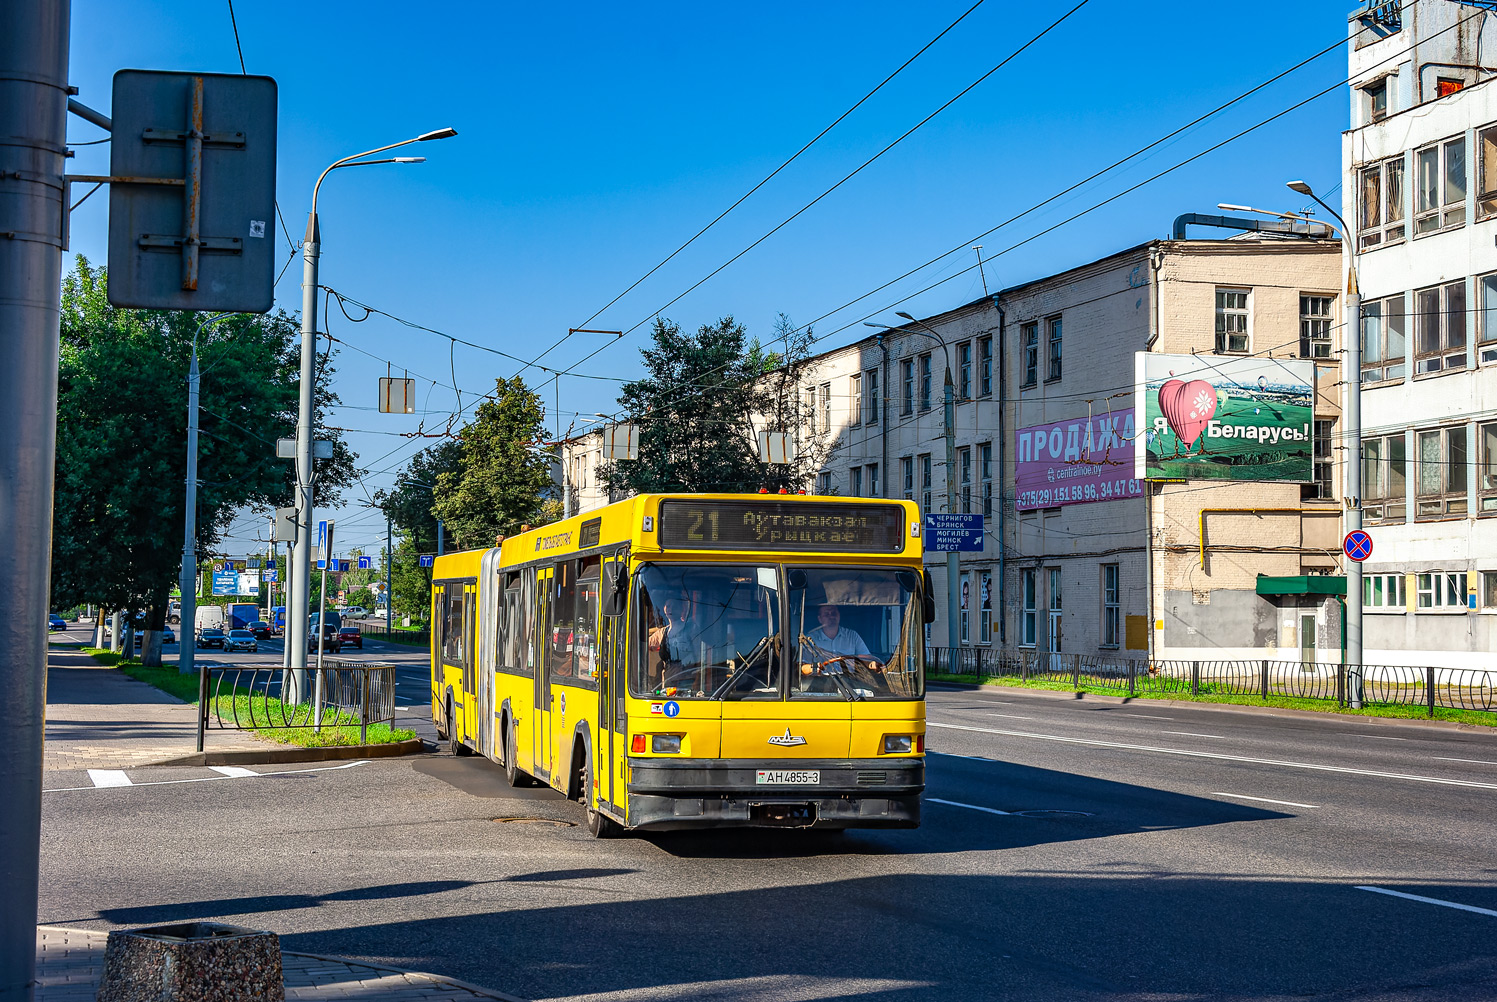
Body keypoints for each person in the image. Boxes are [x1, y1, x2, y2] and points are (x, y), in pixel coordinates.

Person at [799, 604, 879, 676]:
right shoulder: (809, 639)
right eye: (827, 614)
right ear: (820, 619)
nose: (831, 616)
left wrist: (873, 664)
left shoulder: (852, 636)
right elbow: (802, 668)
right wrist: (813, 668)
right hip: (820, 685)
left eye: (834, 613)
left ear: (839, 616)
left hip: (851, 684)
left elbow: (866, 659)